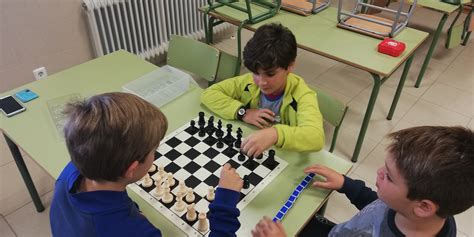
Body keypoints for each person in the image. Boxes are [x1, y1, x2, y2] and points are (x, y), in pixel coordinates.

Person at [50, 92, 243, 237]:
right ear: (131, 169)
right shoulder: (137, 232)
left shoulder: (71, 172)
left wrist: (130, 209)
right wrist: (225, 200)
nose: (155, 155)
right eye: (154, 150)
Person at [252, 126, 474, 236]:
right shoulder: (415, 211)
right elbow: (378, 207)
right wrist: (346, 185)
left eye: (388, 176)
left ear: (424, 207)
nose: (378, 172)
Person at [201, 23, 324, 158]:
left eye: (270, 74)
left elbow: (316, 137)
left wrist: (275, 134)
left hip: (286, 158)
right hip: (257, 153)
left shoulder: (303, 95)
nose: (261, 82)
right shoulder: (248, 82)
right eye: (255, 72)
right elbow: (209, 94)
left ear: (290, 66)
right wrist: (243, 112)